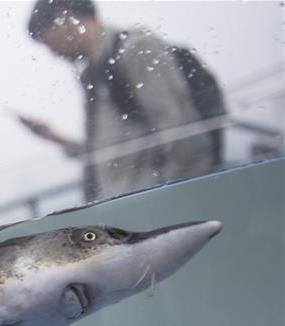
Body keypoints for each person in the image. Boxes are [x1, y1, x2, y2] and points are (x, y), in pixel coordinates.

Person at [22, 0, 224, 201]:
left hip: (153, 206)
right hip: (126, 211)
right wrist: (55, 137)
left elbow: (183, 135)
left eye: (48, 41)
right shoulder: (94, 75)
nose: (53, 53)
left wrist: (178, 203)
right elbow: (111, 155)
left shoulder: (135, 50)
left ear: (64, 17)